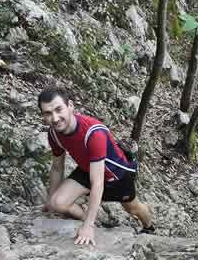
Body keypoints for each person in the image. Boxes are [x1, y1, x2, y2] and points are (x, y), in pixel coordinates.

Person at [38, 86, 155, 245]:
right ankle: (95, 220)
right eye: (48, 113)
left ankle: (149, 227)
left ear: (70, 106)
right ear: (43, 116)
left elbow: (98, 182)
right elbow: (57, 167)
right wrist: (50, 200)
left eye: (59, 109)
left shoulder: (93, 132)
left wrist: (88, 227)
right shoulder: (54, 134)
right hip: (88, 169)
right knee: (58, 203)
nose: (55, 118)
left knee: (133, 208)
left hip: (116, 174)